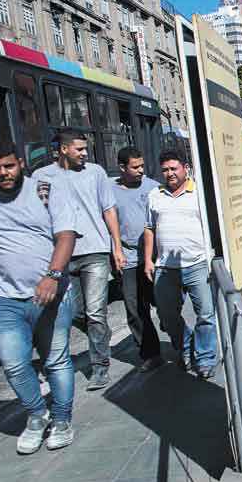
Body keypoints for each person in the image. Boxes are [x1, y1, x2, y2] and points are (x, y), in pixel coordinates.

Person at [0, 140, 78, 453]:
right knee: (13, 364)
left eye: (8, 166)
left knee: (55, 361)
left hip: (51, 294)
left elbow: (66, 236)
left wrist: (53, 276)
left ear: (20, 163)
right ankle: (37, 415)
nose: (3, 173)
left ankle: (62, 420)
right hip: (4, 299)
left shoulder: (47, 191)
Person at [34, 130, 124, 391]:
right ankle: (101, 334)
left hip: (94, 250)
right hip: (62, 256)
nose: (85, 154)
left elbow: (109, 209)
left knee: (96, 312)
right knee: (73, 312)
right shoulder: (41, 177)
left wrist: (116, 246)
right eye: (79, 149)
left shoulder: (95, 172)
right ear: (63, 149)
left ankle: (100, 367)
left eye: (85, 149)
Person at [143, 151, 217, 378]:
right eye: (165, 170)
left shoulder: (199, 193)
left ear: (185, 168)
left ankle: (204, 358)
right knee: (166, 315)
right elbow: (149, 228)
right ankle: (185, 347)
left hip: (197, 264)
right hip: (165, 267)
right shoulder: (155, 194)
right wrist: (148, 259)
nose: (170, 173)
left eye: (174, 168)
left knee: (205, 314)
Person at [113, 147, 163, 373]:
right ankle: (150, 354)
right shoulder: (109, 190)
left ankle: (181, 342)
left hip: (153, 257)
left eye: (142, 166)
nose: (141, 170)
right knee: (135, 309)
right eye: (135, 167)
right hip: (128, 258)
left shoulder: (153, 187)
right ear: (122, 168)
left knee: (163, 303)